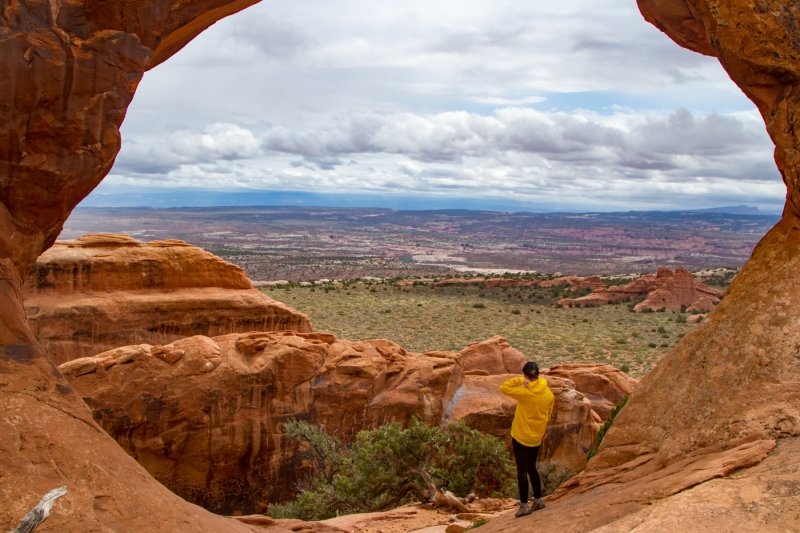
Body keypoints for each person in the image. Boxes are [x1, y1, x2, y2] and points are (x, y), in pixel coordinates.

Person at [499, 360, 554, 518]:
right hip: (536, 437)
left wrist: (519, 381)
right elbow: (549, 414)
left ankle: (524, 506)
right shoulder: (548, 394)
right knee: (532, 468)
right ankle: (538, 501)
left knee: (521, 471)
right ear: (538, 375)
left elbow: (503, 387)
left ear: (525, 374)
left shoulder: (525, 392)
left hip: (521, 436)